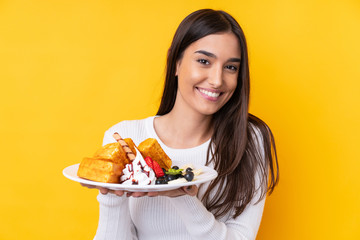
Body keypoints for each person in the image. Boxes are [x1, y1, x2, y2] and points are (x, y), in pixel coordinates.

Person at [83, 9, 279, 240]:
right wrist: (111, 196)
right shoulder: (126, 137)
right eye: (204, 61)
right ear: (175, 62)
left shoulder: (251, 139)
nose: (217, 80)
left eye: (231, 67)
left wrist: (184, 195)